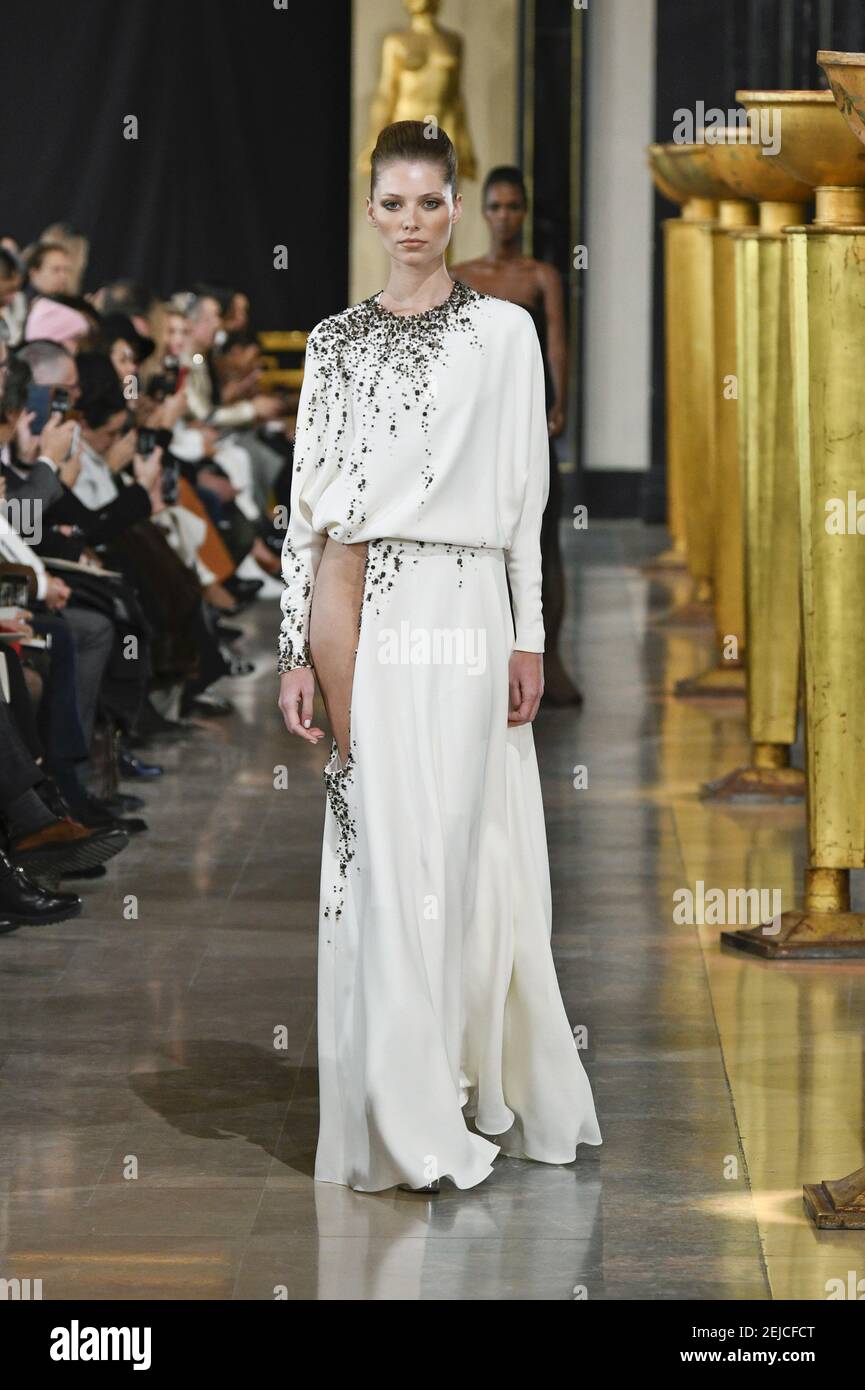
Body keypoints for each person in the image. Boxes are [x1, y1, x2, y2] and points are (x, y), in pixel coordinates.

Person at [277, 120, 601, 1195]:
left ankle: (462, 1074)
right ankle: (400, 1102)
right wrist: (295, 651)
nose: (411, 222)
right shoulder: (331, 341)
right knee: (381, 850)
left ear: (455, 209)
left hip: (465, 612)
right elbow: (304, 514)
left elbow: (526, 496)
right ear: (371, 212)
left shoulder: (504, 333)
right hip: (363, 607)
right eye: (393, 204)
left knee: (466, 852)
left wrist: (529, 634)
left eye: (430, 203)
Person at [451, 165, 581, 706]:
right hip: (477, 430)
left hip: (527, 426)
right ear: (480, 212)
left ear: (523, 212)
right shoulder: (461, 275)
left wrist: (559, 404)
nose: (504, 216)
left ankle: (549, 658)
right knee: (477, 540)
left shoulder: (540, 276)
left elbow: (556, 343)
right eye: (495, 206)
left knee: (542, 541)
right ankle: (481, 659)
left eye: (513, 207)